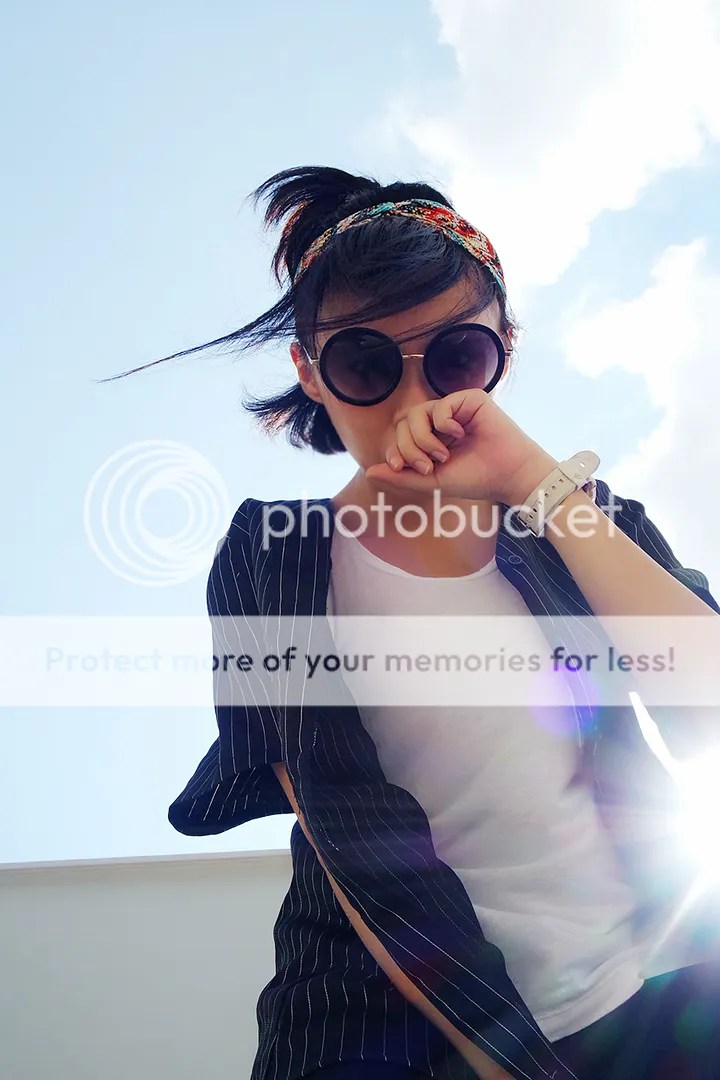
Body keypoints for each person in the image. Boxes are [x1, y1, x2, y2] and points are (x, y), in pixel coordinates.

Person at [116, 166, 720, 1078]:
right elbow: (351, 841)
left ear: (504, 349)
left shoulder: (586, 522)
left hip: (647, 1002)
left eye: (456, 357)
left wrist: (534, 483)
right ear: (309, 373)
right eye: (364, 363)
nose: (414, 404)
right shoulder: (273, 561)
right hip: (385, 1037)